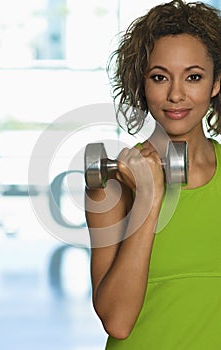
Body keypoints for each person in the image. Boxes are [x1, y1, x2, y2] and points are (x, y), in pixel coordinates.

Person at [85, 0, 221, 348]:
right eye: (159, 77)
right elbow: (117, 321)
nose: (176, 95)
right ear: (142, 85)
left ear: (216, 83)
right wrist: (148, 196)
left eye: (193, 77)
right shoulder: (111, 186)